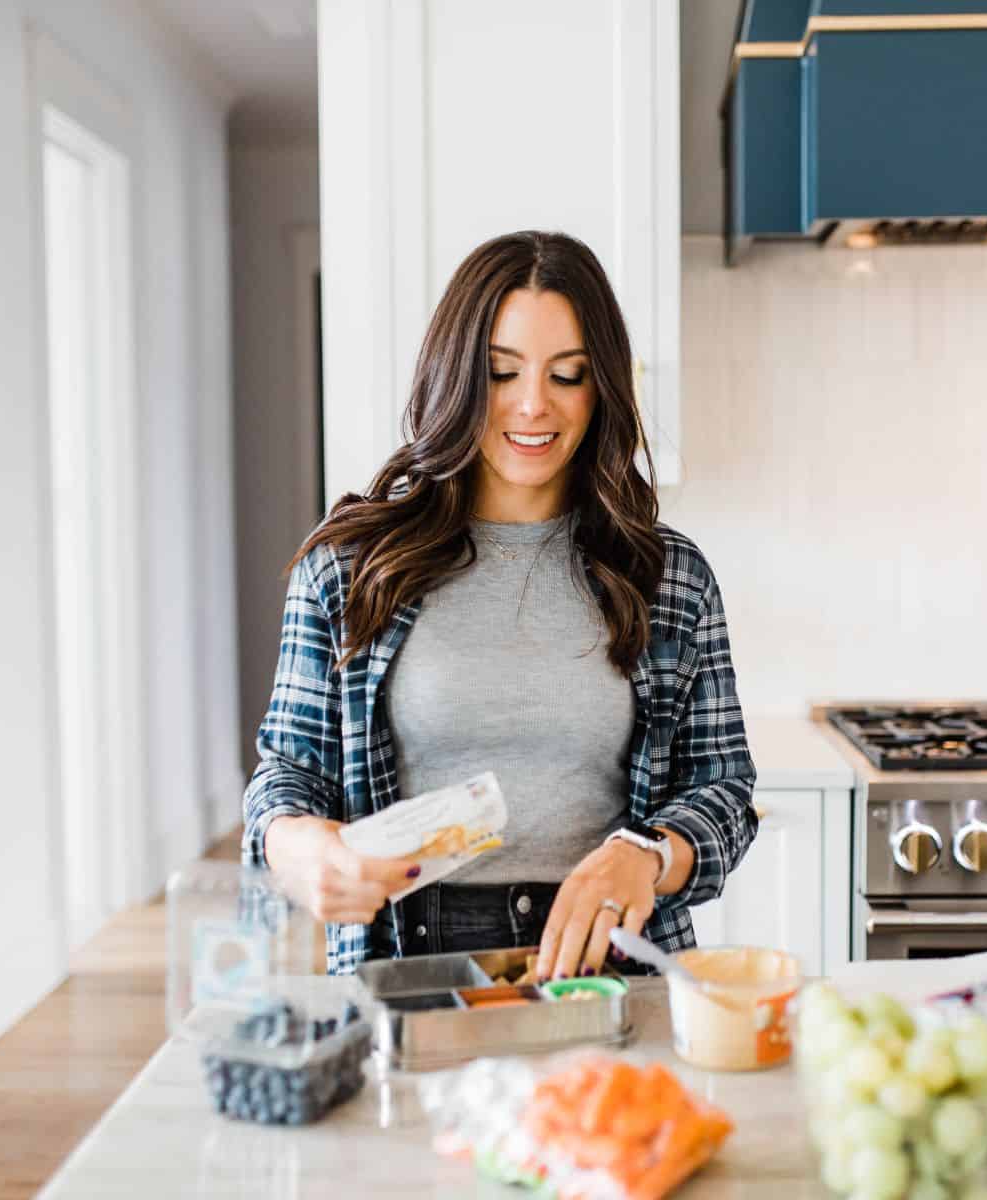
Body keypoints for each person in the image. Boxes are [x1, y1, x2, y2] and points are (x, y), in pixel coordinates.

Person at [242, 230, 759, 983]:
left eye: (569, 375)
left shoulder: (668, 576)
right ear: (456, 376)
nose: (533, 404)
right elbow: (287, 772)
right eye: (501, 371)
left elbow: (724, 792)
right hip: (408, 963)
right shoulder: (350, 568)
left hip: (612, 962)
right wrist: (291, 844)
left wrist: (648, 857)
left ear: (603, 385)